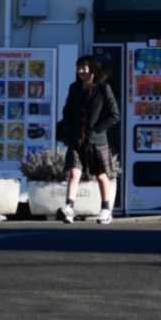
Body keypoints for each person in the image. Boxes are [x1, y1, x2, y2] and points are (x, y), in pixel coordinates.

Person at [58, 55, 119, 224]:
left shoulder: (103, 88)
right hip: (76, 138)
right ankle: (69, 208)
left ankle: (106, 210)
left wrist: (96, 129)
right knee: (73, 172)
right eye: (78, 67)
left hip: (96, 140)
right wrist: (69, 128)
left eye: (84, 67)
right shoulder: (74, 88)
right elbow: (67, 110)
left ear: (93, 69)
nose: (80, 71)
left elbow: (115, 115)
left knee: (101, 175)